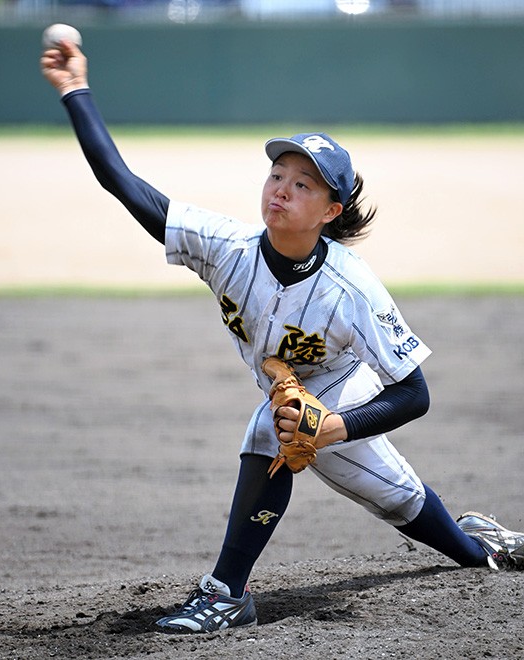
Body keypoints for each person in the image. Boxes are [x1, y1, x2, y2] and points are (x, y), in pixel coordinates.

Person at [40, 40, 524, 635]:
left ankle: (224, 595)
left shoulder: (352, 290)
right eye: (277, 175)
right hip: (301, 403)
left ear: (330, 210)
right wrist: (74, 89)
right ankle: (479, 543)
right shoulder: (225, 248)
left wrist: (330, 426)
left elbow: (415, 394)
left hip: (344, 394)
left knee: (273, 425)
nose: (281, 189)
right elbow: (122, 181)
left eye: (303, 185)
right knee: (398, 498)